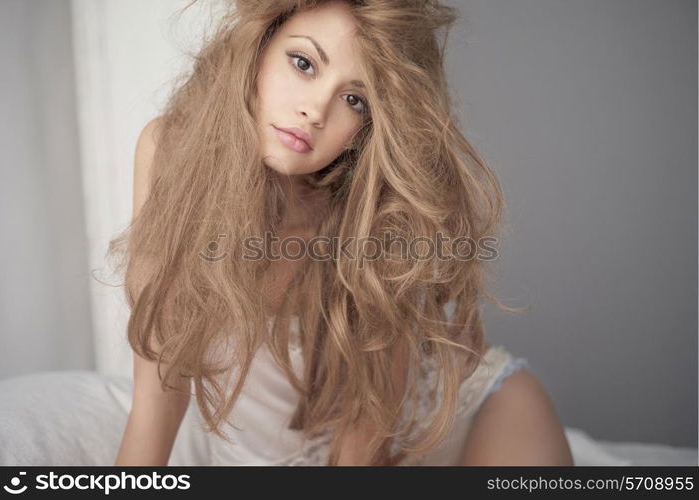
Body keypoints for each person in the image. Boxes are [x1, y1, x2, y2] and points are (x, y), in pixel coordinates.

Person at [112, 0, 573, 466]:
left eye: (355, 99)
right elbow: (157, 393)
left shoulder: (373, 211)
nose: (315, 111)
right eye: (303, 63)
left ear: (370, 125)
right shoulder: (171, 153)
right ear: (257, 48)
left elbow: (368, 427)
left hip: (439, 424)